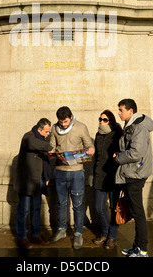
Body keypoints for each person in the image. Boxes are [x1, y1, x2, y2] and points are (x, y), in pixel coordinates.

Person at [113, 99, 153, 258]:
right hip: (132, 173)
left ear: (131, 111)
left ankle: (142, 250)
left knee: (138, 214)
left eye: (121, 110)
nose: (119, 113)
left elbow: (136, 153)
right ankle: (137, 247)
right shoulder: (132, 125)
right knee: (136, 212)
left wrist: (118, 157)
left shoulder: (139, 128)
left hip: (135, 175)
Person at [49, 106, 94, 249]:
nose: (63, 124)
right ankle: (61, 230)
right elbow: (52, 145)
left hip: (76, 172)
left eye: (66, 121)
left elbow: (90, 147)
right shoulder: (54, 128)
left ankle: (78, 233)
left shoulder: (81, 127)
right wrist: (51, 151)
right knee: (61, 204)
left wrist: (88, 151)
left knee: (78, 205)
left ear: (70, 117)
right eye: (60, 122)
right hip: (60, 170)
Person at [15, 118, 53, 249]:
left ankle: (36, 234)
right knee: (23, 210)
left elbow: (45, 160)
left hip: (38, 181)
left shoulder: (43, 139)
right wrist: (49, 147)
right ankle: (21, 237)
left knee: (36, 209)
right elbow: (32, 144)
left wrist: (47, 176)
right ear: (39, 129)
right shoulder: (28, 136)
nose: (48, 134)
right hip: (26, 182)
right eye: (47, 132)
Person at [92, 109, 122, 249]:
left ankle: (112, 237)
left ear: (111, 121)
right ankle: (105, 232)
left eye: (105, 120)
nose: (101, 121)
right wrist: (93, 174)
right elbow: (96, 156)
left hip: (113, 175)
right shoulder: (98, 134)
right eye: (100, 119)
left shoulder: (117, 134)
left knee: (113, 208)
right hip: (99, 175)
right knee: (98, 207)